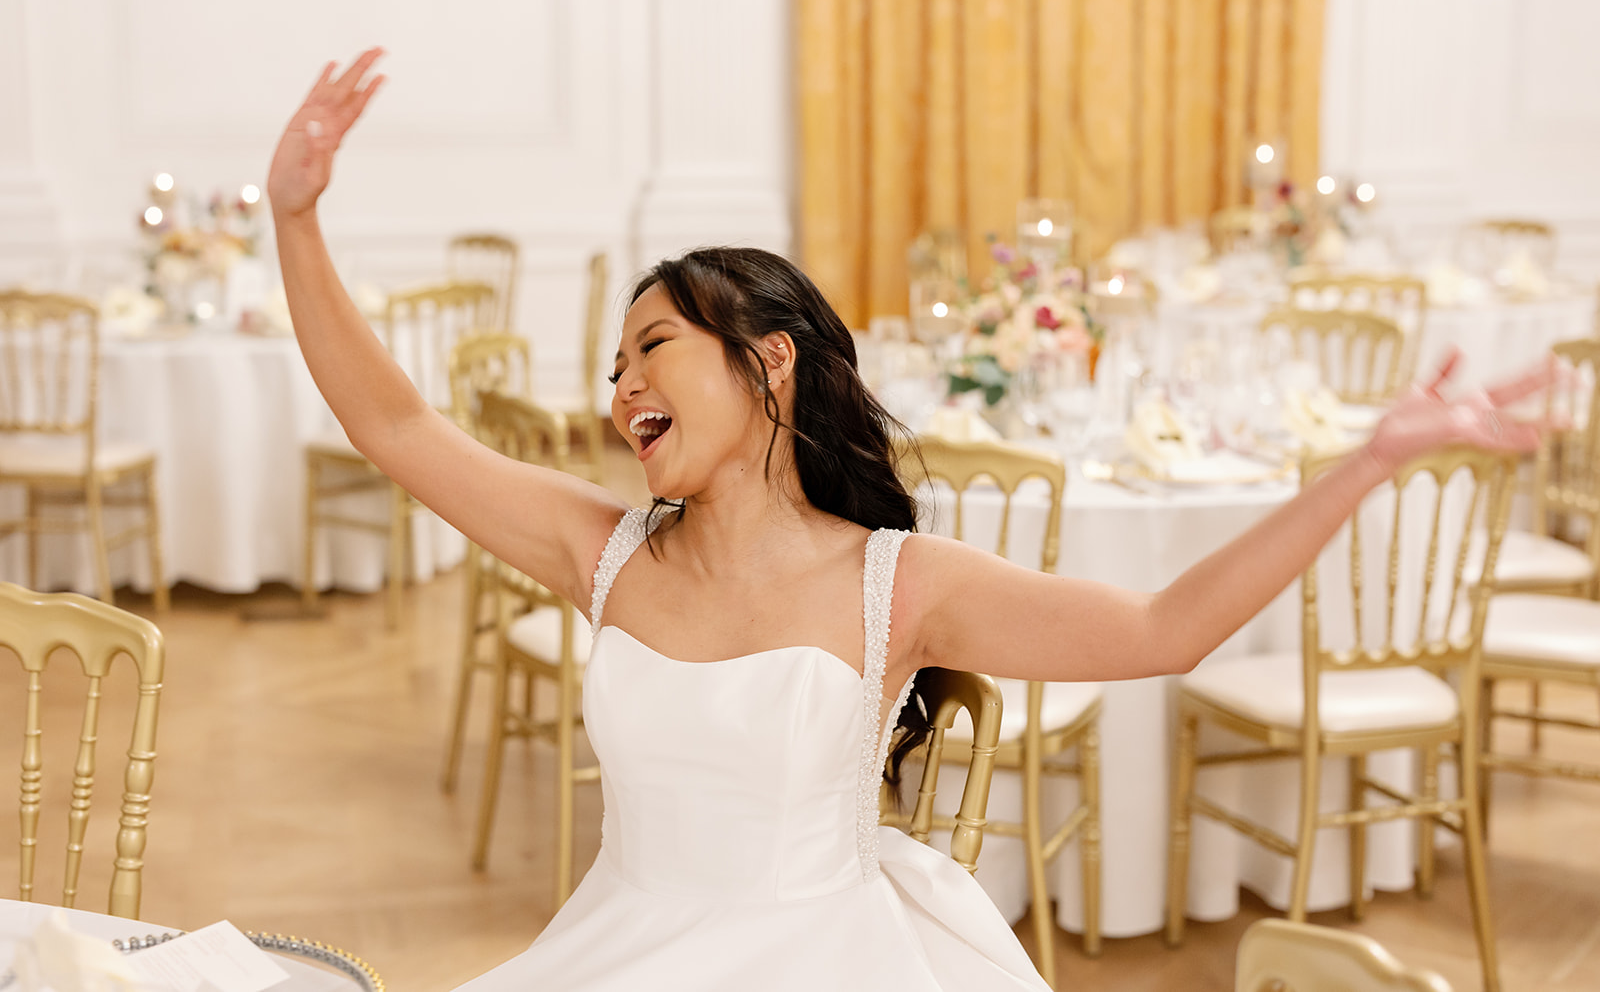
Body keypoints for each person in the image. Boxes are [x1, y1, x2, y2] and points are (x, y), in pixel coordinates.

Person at [267, 49, 1551, 992]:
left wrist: (1368, 461)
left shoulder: (896, 582)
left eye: (651, 348)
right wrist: (297, 218)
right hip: (625, 947)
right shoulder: (601, 552)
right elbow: (396, 427)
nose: (620, 391)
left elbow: (1169, 627)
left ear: (766, 365)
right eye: (611, 367)